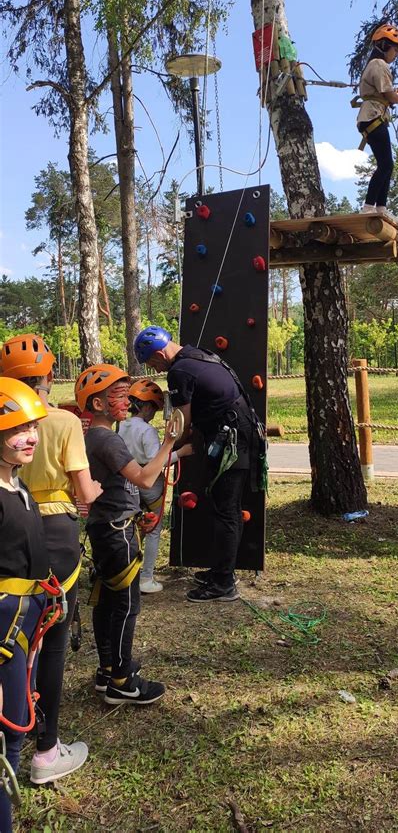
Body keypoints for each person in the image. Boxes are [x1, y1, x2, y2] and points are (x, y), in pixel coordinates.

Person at [0, 334, 99, 785]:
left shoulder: (12, 446)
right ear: (50, 376)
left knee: (21, 641)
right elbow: (84, 491)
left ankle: (19, 736)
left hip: (21, 523)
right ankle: (45, 748)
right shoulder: (63, 421)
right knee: (49, 639)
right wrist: (90, 495)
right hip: (55, 529)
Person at [0, 378, 83, 833]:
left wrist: (43, 591)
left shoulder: (19, 487)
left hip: (26, 617)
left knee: (15, 726)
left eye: (33, 426)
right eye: (18, 429)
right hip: (4, 628)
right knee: (7, 738)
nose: (31, 436)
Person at [75, 364, 177, 705]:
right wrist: (171, 442)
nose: (127, 403)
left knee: (107, 601)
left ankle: (108, 670)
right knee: (126, 604)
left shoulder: (95, 436)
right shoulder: (107, 439)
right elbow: (145, 479)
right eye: (118, 397)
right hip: (115, 532)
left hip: (110, 527)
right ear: (99, 405)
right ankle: (121, 679)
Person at [134, 326, 257, 604]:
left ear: (158, 353)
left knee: (226, 509)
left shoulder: (179, 371)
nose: (155, 369)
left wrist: (167, 450)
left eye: (152, 363)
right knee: (226, 507)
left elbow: (182, 422)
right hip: (238, 433)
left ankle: (224, 583)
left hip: (231, 440)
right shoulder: (198, 354)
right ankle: (221, 572)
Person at [119, 378, 192, 594]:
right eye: (154, 408)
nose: (154, 414)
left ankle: (127, 572)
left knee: (131, 526)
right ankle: (146, 577)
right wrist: (182, 452)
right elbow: (155, 461)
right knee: (153, 529)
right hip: (149, 485)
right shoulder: (146, 431)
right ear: (148, 406)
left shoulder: (120, 425)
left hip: (126, 481)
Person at [356, 23, 398, 225]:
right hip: (373, 117)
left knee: (386, 165)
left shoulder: (374, 65)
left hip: (371, 116)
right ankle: (369, 207)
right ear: (384, 45)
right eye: (395, 49)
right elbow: (388, 94)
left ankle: (380, 207)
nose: (397, 54)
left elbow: (386, 95)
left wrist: (397, 93)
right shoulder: (380, 65)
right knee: (386, 164)